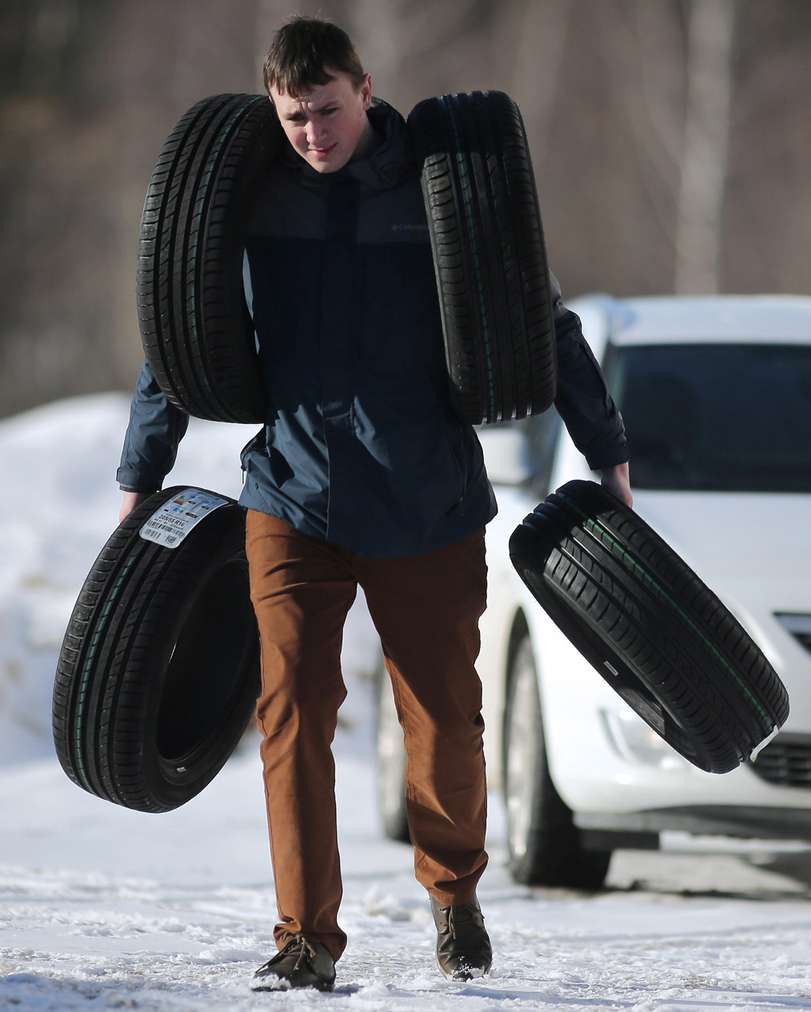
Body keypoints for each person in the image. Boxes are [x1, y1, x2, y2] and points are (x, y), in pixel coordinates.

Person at [116, 16, 631, 991]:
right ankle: (303, 934)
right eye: (294, 115)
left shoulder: (440, 189)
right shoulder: (251, 194)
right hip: (292, 495)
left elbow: (539, 316)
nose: (312, 131)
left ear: (364, 90)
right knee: (294, 712)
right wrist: (144, 467)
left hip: (426, 500)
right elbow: (179, 329)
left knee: (441, 718)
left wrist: (604, 447)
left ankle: (452, 894)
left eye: (327, 110)